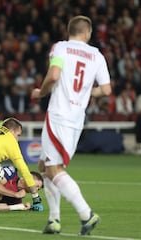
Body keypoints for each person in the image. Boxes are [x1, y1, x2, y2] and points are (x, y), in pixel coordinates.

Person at [31, 15, 112, 236]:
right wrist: (87, 92)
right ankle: (53, 219)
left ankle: (86, 214)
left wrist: (41, 92)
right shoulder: (97, 56)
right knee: (45, 166)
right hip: (77, 119)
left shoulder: (61, 48)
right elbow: (106, 90)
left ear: (69, 31)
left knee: (53, 169)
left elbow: (54, 74)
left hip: (59, 114)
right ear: (88, 33)